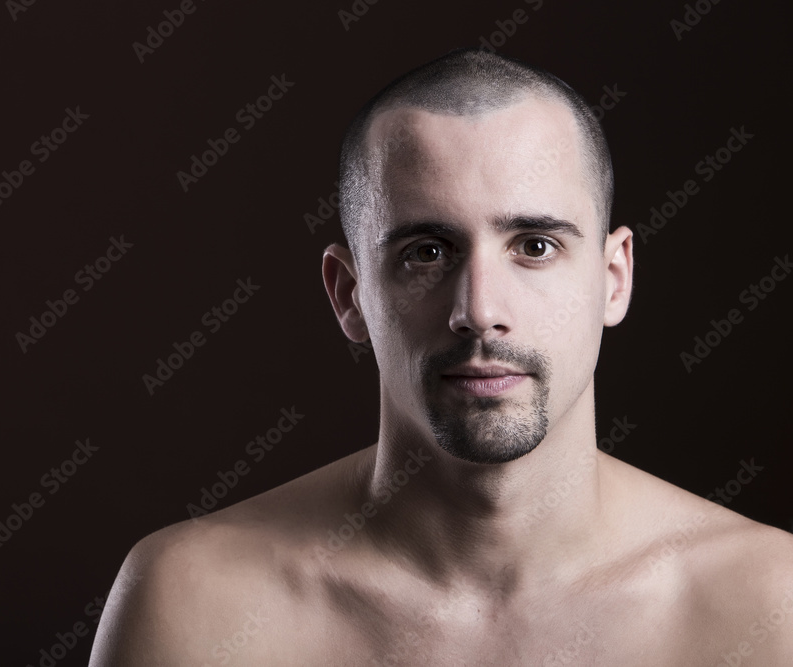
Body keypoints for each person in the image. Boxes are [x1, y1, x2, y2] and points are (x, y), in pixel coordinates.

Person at [89, 49, 793, 666]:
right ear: (349, 293)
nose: (480, 308)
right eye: (426, 252)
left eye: (535, 246)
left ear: (615, 277)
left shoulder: (768, 602)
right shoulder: (195, 605)